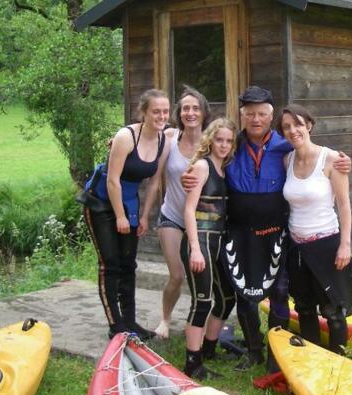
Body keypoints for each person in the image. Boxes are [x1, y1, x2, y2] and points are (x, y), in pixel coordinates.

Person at [182, 86, 351, 371]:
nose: (256, 119)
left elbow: (314, 154)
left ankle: (278, 351)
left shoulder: (285, 146)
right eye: (250, 114)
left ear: (270, 116)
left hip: (277, 232)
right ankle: (253, 350)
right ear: (242, 115)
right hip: (239, 233)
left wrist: (343, 160)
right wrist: (187, 176)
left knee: (280, 292)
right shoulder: (231, 146)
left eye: (262, 114)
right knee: (245, 296)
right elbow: (202, 162)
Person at [83, 88, 171, 340]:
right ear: (143, 112)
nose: (161, 116)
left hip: (129, 203)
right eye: (156, 111)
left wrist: (143, 216)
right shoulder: (126, 136)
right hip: (101, 202)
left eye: (165, 111)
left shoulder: (164, 138)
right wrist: (120, 216)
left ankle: (130, 321)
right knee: (110, 264)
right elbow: (112, 180)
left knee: (128, 264)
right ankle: (116, 325)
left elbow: (154, 183)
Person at [279, 104, 352, 354]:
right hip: (297, 246)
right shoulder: (287, 160)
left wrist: (345, 245)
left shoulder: (332, 159)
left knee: (333, 310)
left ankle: (339, 359)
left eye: (298, 124)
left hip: (327, 243)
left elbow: (344, 205)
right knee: (304, 308)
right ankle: (312, 357)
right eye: (287, 127)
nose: (293, 130)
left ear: (309, 125)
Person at [181, 118, 238, 378]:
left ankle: (209, 349)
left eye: (228, 140)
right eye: (219, 139)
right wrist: (194, 248)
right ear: (210, 140)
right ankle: (192, 363)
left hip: (218, 241)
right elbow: (189, 210)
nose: (224, 145)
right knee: (202, 301)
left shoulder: (225, 168)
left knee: (226, 299)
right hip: (201, 240)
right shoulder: (202, 166)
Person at [154, 86, 211, 339]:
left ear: (203, 112)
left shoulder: (212, 141)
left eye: (195, 108)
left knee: (200, 275)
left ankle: (197, 320)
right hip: (172, 216)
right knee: (176, 274)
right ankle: (165, 320)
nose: (190, 112)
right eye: (186, 108)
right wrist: (117, 140)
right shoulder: (169, 137)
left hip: (201, 220)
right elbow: (141, 133)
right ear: (179, 113)